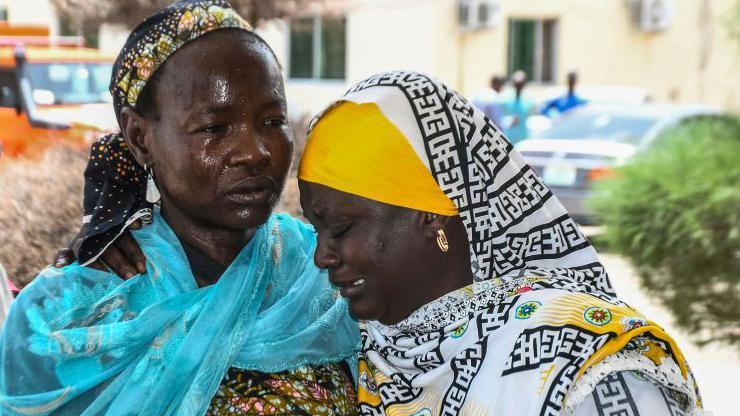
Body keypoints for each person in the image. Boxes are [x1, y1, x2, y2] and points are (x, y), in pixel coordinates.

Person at [0, 2, 359, 415]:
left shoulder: (325, 276)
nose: (255, 152)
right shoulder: (69, 316)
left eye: (272, 121)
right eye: (214, 128)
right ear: (140, 137)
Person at [296, 71, 701, 415]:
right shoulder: (355, 350)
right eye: (316, 229)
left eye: (342, 228)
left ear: (431, 214)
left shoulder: (580, 364)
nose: (321, 256)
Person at [501, 70, 535, 144]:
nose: (518, 86)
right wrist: (508, 120)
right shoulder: (505, 97)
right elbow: (500, 117)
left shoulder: (529, 98)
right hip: (507, 137)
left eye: (520, 84)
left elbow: (532, 116)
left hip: (523, 137)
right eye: (517, 84)